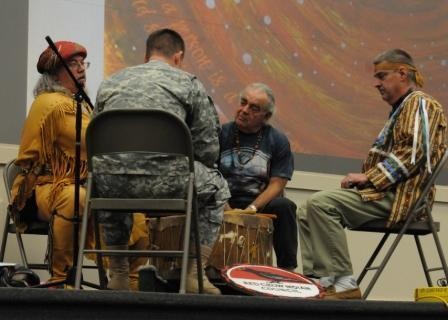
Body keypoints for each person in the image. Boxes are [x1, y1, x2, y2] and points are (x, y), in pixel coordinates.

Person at [297, 49, 447, 299]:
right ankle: (324, 282)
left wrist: (368, 177)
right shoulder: (403, 108)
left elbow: (412, 153)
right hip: (388, 194)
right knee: (305, 210)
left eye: (382, 75)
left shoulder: (420, 103)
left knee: (321, 204)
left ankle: (344, 284)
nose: (376, 83)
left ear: (402, 73)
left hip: (404, 200)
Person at [93, 28, 230, 293]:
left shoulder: (110, 82)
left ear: (146, 55)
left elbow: (100, 144)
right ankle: (193, 273)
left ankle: (119, 274)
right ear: (178, 57)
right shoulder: (188, 83)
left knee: (109, 174)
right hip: (169, 181)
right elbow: (208, 148)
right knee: (217, 188)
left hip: (112, 184)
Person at [10, 41, 149, 288]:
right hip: (46, 187)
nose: (81, 68)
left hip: (85, 186)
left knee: (135, 213)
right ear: (55, 72)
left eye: (82, 63)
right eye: (73, 64)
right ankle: (61, 279)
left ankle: (130, 284)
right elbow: (29, 158)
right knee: (73, 197)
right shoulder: (47, 103)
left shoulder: (83, 105)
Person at [219, 83, 298, 271]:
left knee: (284, 206)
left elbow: (278, 184)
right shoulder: (220, 133)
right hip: (222, 200)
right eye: (243, 103)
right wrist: (225, 206)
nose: (244, 110)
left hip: (258, 204)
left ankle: (288, 270)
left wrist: (252, 208)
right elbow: (208, 174)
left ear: (266, 117)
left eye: (254, 108)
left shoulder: (277, 140)